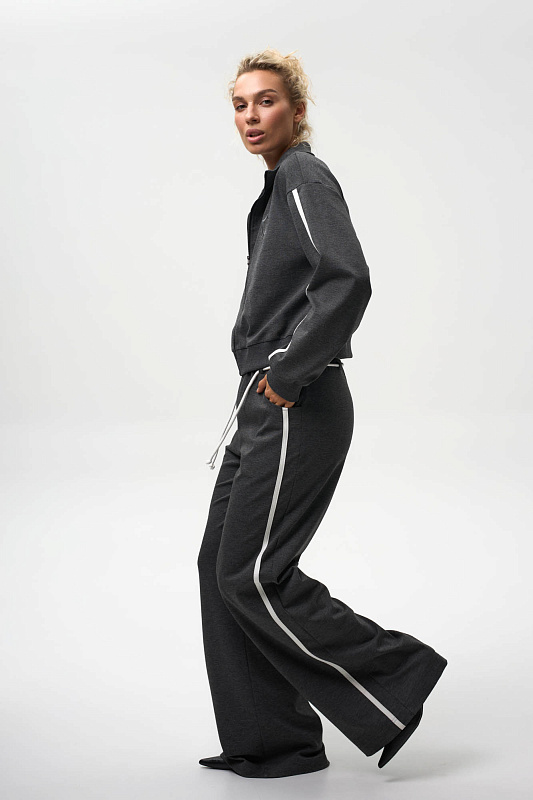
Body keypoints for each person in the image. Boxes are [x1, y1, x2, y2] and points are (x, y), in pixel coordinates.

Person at [197, 47, 447, 780]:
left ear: (297, 111)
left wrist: (287, 373)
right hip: (260, 402)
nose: (251, 116)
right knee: (218, 567)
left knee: (251, 573)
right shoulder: (276, 186)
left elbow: (348, 278)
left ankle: (396, 676)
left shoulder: (303, 176)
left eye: (266, 101)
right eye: (240, 104)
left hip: (296, 402)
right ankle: (273, 741)